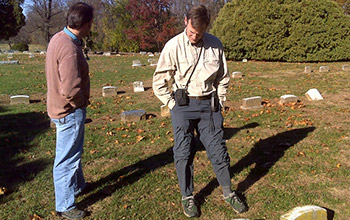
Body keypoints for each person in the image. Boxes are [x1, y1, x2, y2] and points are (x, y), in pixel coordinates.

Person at [153, 5, 248, 218]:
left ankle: (228, 191)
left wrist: (220, 101)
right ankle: (187, 197)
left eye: (199, 33)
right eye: (191, 32)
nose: (194, 36)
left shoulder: (215, 45)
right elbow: (159, 81)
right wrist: (171, 104)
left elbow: (223, 77)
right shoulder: (173, 46)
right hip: (183, 107)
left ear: (206, 28)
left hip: (209, 106)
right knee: (183, 152)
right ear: (185, 21)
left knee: (218, 152)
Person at [45, 2, 93, 219]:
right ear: (85, 23)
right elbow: (70, 89)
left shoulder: (58, 38)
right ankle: (65, 205)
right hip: (69, 111)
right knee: (66, 158)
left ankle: (77, 185)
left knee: (73, 150)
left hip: (60, 109)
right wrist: (81, 103)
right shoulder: (69, 48)